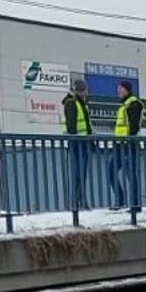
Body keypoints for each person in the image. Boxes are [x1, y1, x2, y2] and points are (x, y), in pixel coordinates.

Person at [108, 80, 143, 211]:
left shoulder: (134, 104)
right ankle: (121, 200)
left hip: (129, 145)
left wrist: (128, 141)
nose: (118, 91)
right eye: (118, 89)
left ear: (127, 90)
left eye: (121, 89)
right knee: (111, 171)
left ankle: (135, 205)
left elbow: (133, 126)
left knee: (130, 175)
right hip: (119, 145)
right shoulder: (123, 105)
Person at [62, 79, 92, 211]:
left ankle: (80, 201)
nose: (86, 92)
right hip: (77, 144)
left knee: (81, 174)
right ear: (80, 90)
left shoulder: (79, 103)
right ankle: (77, 203)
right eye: (84, 90)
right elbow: (71, 126)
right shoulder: (72, 103)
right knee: (78, 174)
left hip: (83, 143)